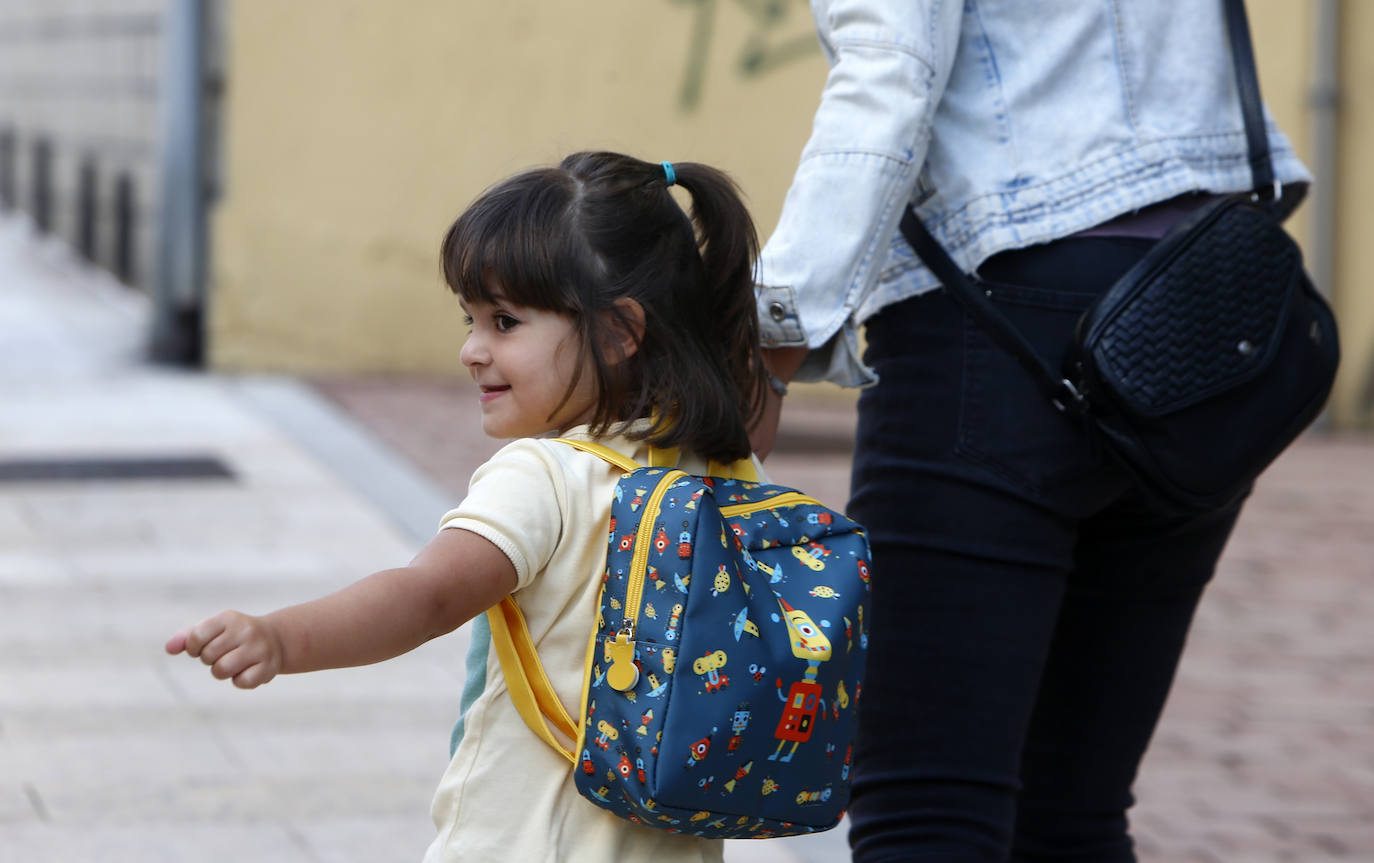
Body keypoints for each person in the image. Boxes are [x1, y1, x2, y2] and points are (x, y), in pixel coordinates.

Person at [749, 3, 1310, 861]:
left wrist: (768, 344)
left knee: (926, 815)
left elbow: (890, 62)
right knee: (1072, 815)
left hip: (1000, 301)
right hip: (1204, 306)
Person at [165, 151, 769, 863]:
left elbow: (424, 596)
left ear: (619, 331)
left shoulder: (546, 476)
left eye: (505, 322)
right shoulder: (727, 468)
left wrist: (280, 637)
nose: (471, 350)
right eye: (471, 318)